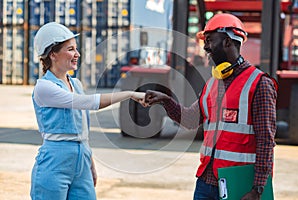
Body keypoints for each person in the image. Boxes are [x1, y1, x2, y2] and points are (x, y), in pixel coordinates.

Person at [145, 13, 277, 200]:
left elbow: (266, 141)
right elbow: (190, 120)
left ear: (228, 42)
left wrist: (258, 189)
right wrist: (166, 100)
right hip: (206, 181)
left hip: (238, 184)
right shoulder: (212, 84)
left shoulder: (259, 84)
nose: (205, 47)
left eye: (209, 40)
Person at [30, 22, 145, 200]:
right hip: (54, 161)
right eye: (70, 49)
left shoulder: (76, 84)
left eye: (76, 49)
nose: (77, 54)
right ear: (53, 54)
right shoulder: (44, 88)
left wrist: (89, 160)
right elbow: (87, 103)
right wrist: (130, 94)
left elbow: (82, 126)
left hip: (81, 158)